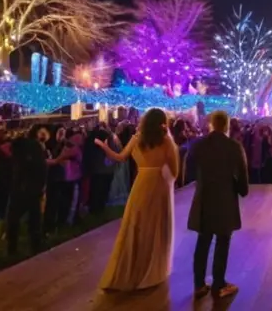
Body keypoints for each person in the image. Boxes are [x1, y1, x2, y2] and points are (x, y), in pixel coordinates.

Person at [95, 108, 178, 291]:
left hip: (140, 184)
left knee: (136, 225)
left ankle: (130, 268)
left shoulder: (136, 139)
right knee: (156, 226)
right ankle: (151, 268)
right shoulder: (166, 142)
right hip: (159, 186)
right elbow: (174, 171)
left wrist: (104, 147)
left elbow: (120, 157)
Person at [186, 111, 249, 299]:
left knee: (203, 241)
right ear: (227, 126)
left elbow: (189, 172)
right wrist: (239, 188)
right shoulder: (234, 147)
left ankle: (198, 285)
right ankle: (219, 284)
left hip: (204, 198)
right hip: (225, 200)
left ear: (211, 124)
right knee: (223, 241)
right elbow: (243, 182)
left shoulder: (198, 145)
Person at [6, 124, 49, 255]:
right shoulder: (36, 148)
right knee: (34, 219)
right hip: (33, 188)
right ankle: (35, 245)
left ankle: (12, 248)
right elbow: (42, 169)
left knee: (13, 218)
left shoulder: (18, 146)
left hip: (19, 186)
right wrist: (41, 187)